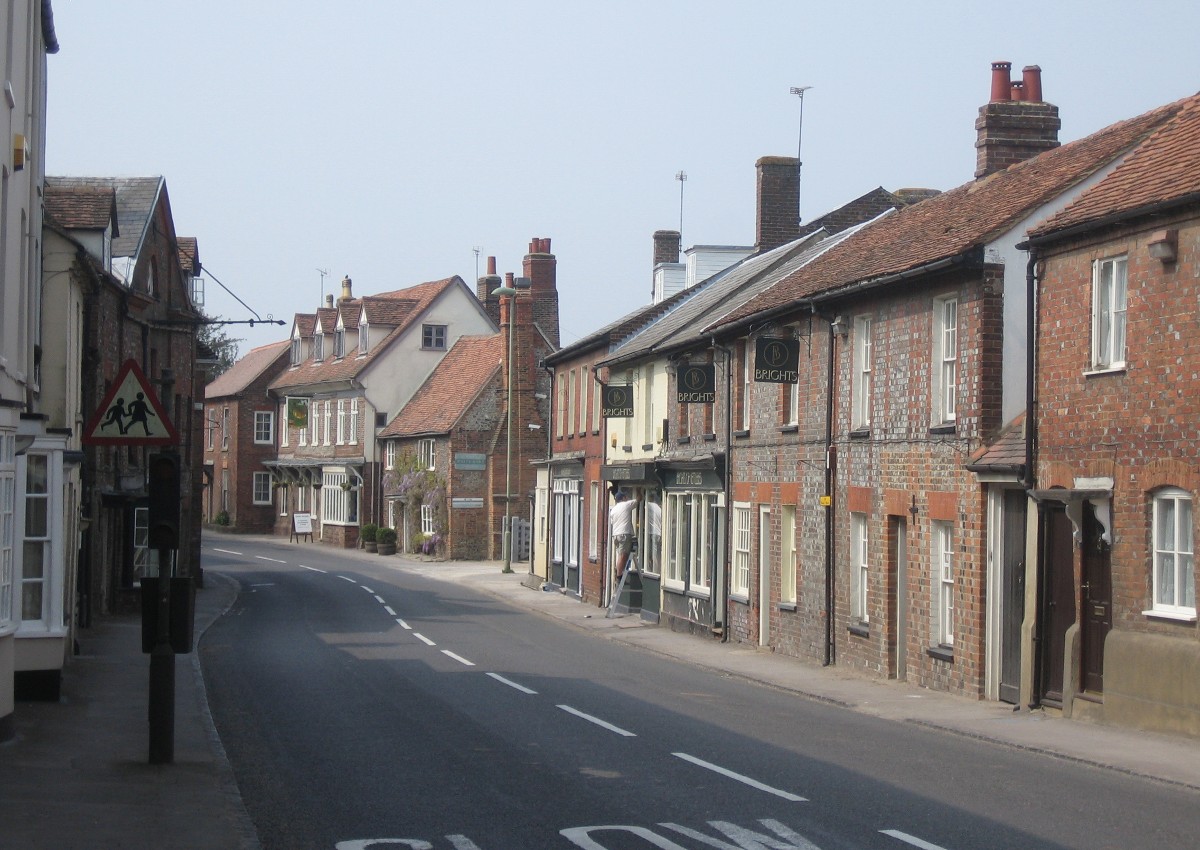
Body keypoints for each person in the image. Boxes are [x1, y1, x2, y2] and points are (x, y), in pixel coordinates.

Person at [609, 487, 639, 579]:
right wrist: (639, 491)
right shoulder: (626, 505)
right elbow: (638, 499)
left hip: (616, 535)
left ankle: (618, 571)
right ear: (623, 498)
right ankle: (619, 575)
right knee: (623, 555)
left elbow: (612, 522)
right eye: (626, 497)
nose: (627, 498)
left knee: (620, 554)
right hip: (624, 534)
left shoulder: (613, 510)